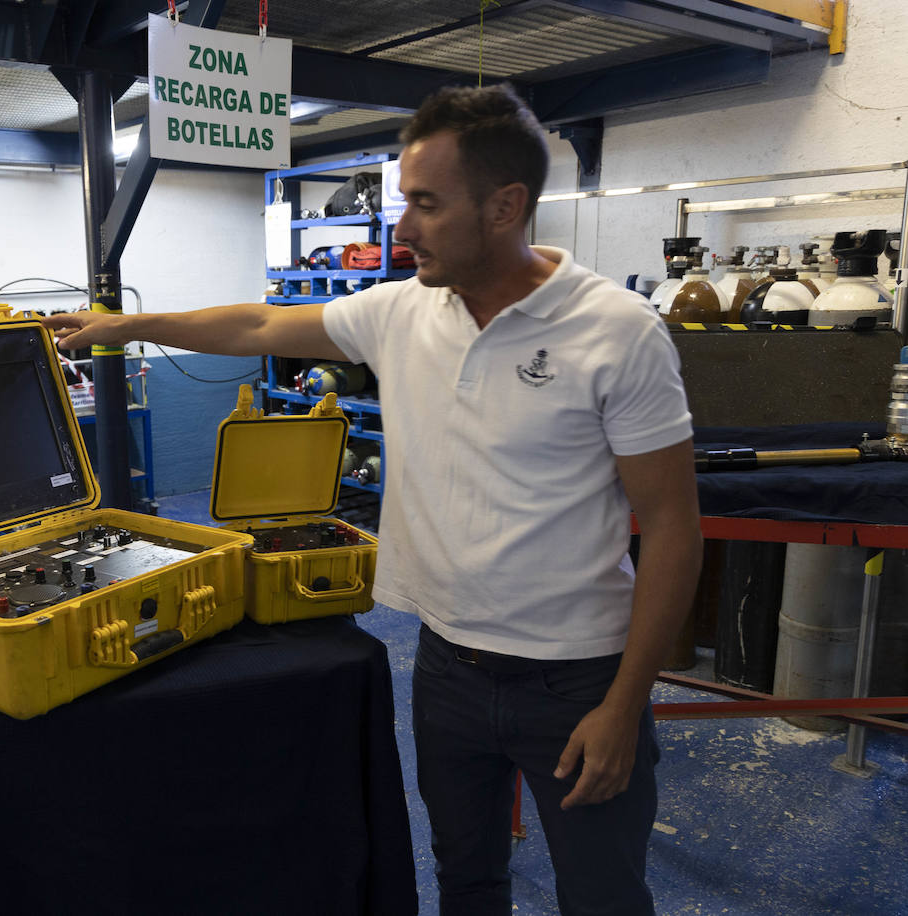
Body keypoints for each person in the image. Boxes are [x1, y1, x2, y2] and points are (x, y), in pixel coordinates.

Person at [41, 84, 702, 915]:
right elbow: (257, 328)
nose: (403, 228)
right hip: (448, 667)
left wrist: (625, 704)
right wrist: (129, 326)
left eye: (425, 204)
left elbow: (675, 525)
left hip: (577, 681)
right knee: (466, 879)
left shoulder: (616, 332)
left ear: (505, 206)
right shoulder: (401, 312)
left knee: (602, 895)